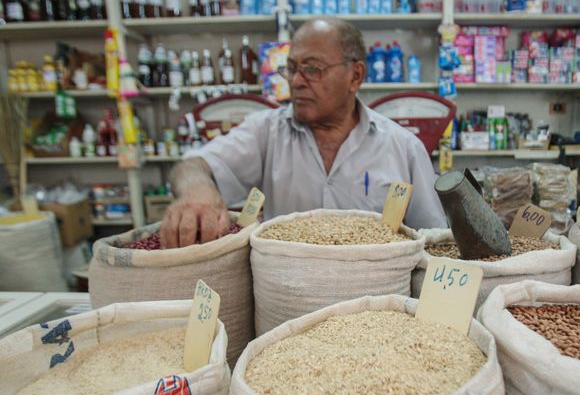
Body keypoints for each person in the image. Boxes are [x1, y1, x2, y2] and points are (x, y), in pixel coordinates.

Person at [160, 17, 447, 248]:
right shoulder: (266, 131)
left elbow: (434, 241)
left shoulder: (403, 147)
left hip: (376, 304)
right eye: (292, 68)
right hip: (286, 301)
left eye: (313, 69)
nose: (296, 81)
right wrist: (197, 190)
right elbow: (194, 165)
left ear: (355, 75)